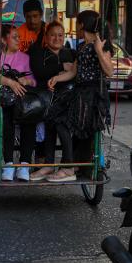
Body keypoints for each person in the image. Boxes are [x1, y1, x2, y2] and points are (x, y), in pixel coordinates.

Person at [45, 10, 113, 182]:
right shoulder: (81, 45)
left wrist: (98, 50)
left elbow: (109, 71)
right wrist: (56, 78)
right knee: (58, 120)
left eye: (77, 24)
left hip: (93, 96)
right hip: (80, 93)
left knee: (64, 123)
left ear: (82, 24)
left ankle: (68, 167)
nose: (75, 27)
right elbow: (74, 72)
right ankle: (71, 164)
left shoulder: (101, 44)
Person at [0, 24, 36, 181]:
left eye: (19, 36)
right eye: (14, 37)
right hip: (1, 102)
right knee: (6, 116)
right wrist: (11, 82)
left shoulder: (25, 58)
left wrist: (26, 80)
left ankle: (25, 164)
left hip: (22, 102)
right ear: (3, 40)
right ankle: (8, 163)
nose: (19, 39)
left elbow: (34, 80)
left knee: (30, 117)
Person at [27, 21, 76, 181]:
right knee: (50, 116)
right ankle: (49, 164)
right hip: (45, 95)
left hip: (68, 97)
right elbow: (40, 73)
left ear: (65, 36)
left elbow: (76, 73)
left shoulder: (71, 53)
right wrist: (61, 67)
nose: (57, 38)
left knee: (58, 119)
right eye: (53, 35)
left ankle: (64, 165)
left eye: (60, 35)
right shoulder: (38, 53)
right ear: (46, 37)